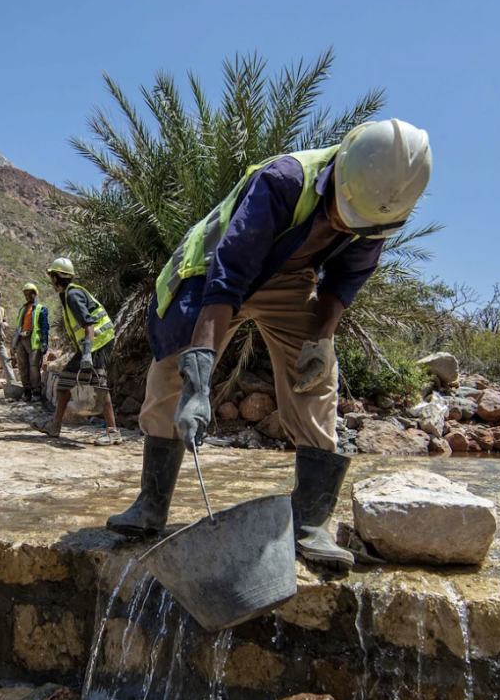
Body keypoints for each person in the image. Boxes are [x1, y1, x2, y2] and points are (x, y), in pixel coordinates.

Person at [106, 119, 432, 570]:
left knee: (316, 379)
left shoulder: (377, 210)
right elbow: (229, 278)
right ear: (337, 171)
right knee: (172, 376)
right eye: (340, 209)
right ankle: (150, 505)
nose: (342, 222)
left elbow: (344, 282)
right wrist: (198, 383)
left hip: (291, 280)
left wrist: (321, 339)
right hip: (214, 270)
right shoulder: (282, 182)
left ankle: (310, 523)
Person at [33, 258, 121, 446]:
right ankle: (55, 425)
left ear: (57, 277)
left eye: (52, 276)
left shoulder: (72, 296)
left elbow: (88, 323)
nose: (51, 280)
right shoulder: (69, 295)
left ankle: (113, 431)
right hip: (93, 343)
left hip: (97, 343)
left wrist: (87, 353)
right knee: (65, 382)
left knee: (99, 384)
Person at [13, 282, 50, 404]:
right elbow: (18, 327)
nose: (27, 296)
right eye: (26, 294)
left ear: (35, 294)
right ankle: (27, 391)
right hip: (21, 340)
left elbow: (45, 327)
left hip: (34, 341)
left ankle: (36, 392)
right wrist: (14, 344)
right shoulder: (23, 309)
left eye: (30, 294)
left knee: (34, 367)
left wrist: (45, 342)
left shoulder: (41, 309)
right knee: (23, 366)